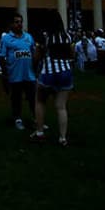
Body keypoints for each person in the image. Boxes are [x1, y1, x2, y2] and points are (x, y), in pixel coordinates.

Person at [30, 10, 75, 147]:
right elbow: (72, 54)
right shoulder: (67, 36)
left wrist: (35, 64)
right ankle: (62, 138)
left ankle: (39, 132)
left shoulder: (45, 37)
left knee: (40, 100)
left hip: (49, 72)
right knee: (61, 106)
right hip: (66, 72)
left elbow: (37, 56)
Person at [0, 13, 37, 130]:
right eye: (16, 22)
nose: (19, 24)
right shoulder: (6, 39)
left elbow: (34, 53)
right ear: (11, 24)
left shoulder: (29, 37)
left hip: (29, 75)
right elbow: (1, 57)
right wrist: (5, 73)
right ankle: (17, 119)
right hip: (15, 75)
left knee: (33, 98)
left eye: (20, 22)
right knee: (16, 98)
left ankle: (37, 119)